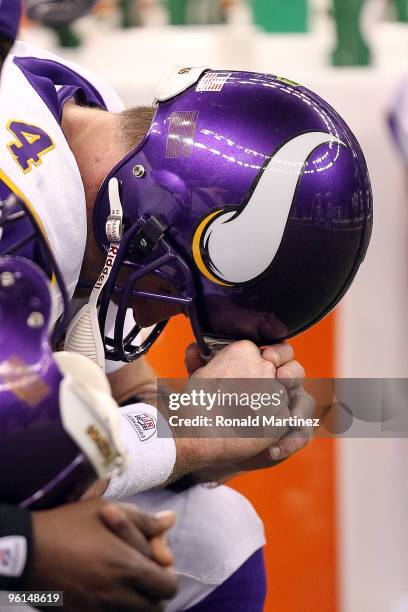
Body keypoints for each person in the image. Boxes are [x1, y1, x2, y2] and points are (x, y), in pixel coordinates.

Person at [0, 31, 372, 610]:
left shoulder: (86, 132)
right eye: (174, 299)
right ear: (157, 223)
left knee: (213, 543)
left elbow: (119, 387)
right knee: (56, 583)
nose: (158, 318)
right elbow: (30, 471)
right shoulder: (15, 218)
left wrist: (205, 424)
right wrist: (189, 436)